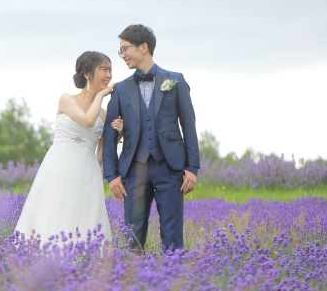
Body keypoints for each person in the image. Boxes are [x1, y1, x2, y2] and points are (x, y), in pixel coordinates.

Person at [102, 24, 200, 251]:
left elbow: (189, 126)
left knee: (173, 236)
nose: (122, 55)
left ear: (143, 47)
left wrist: (192, 167)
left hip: (171, 168)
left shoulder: (175, 81)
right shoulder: (121, 89)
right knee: (132, 239)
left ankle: (175, 282)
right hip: (133, 170)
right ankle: (132, 284)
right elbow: (109, 134)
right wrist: (111, 174)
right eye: (120, 51)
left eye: (125, 49)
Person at [14, 51, 122, 244]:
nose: (108, 75)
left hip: (88, 170)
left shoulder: (105, 115)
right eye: (104, 69)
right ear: (88, 74)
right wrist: (102, 95)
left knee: (86, 216)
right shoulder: (66, 99)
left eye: (110, 70)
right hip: (60, 165)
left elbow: (99, 154)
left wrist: (118, 134)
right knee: (54, 210)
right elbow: (88, 120)